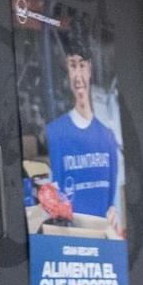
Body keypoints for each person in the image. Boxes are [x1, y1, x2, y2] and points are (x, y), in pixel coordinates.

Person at [41, 32, 124, 235]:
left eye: (82, 65)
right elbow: (52, 193)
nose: (78, 75)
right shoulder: (55, 132)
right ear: (67, 72)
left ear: (89, 70)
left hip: (104, 239)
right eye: (72, 65)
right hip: (71, 238)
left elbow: (115, 199)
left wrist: (116, 215)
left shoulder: (107, 137)